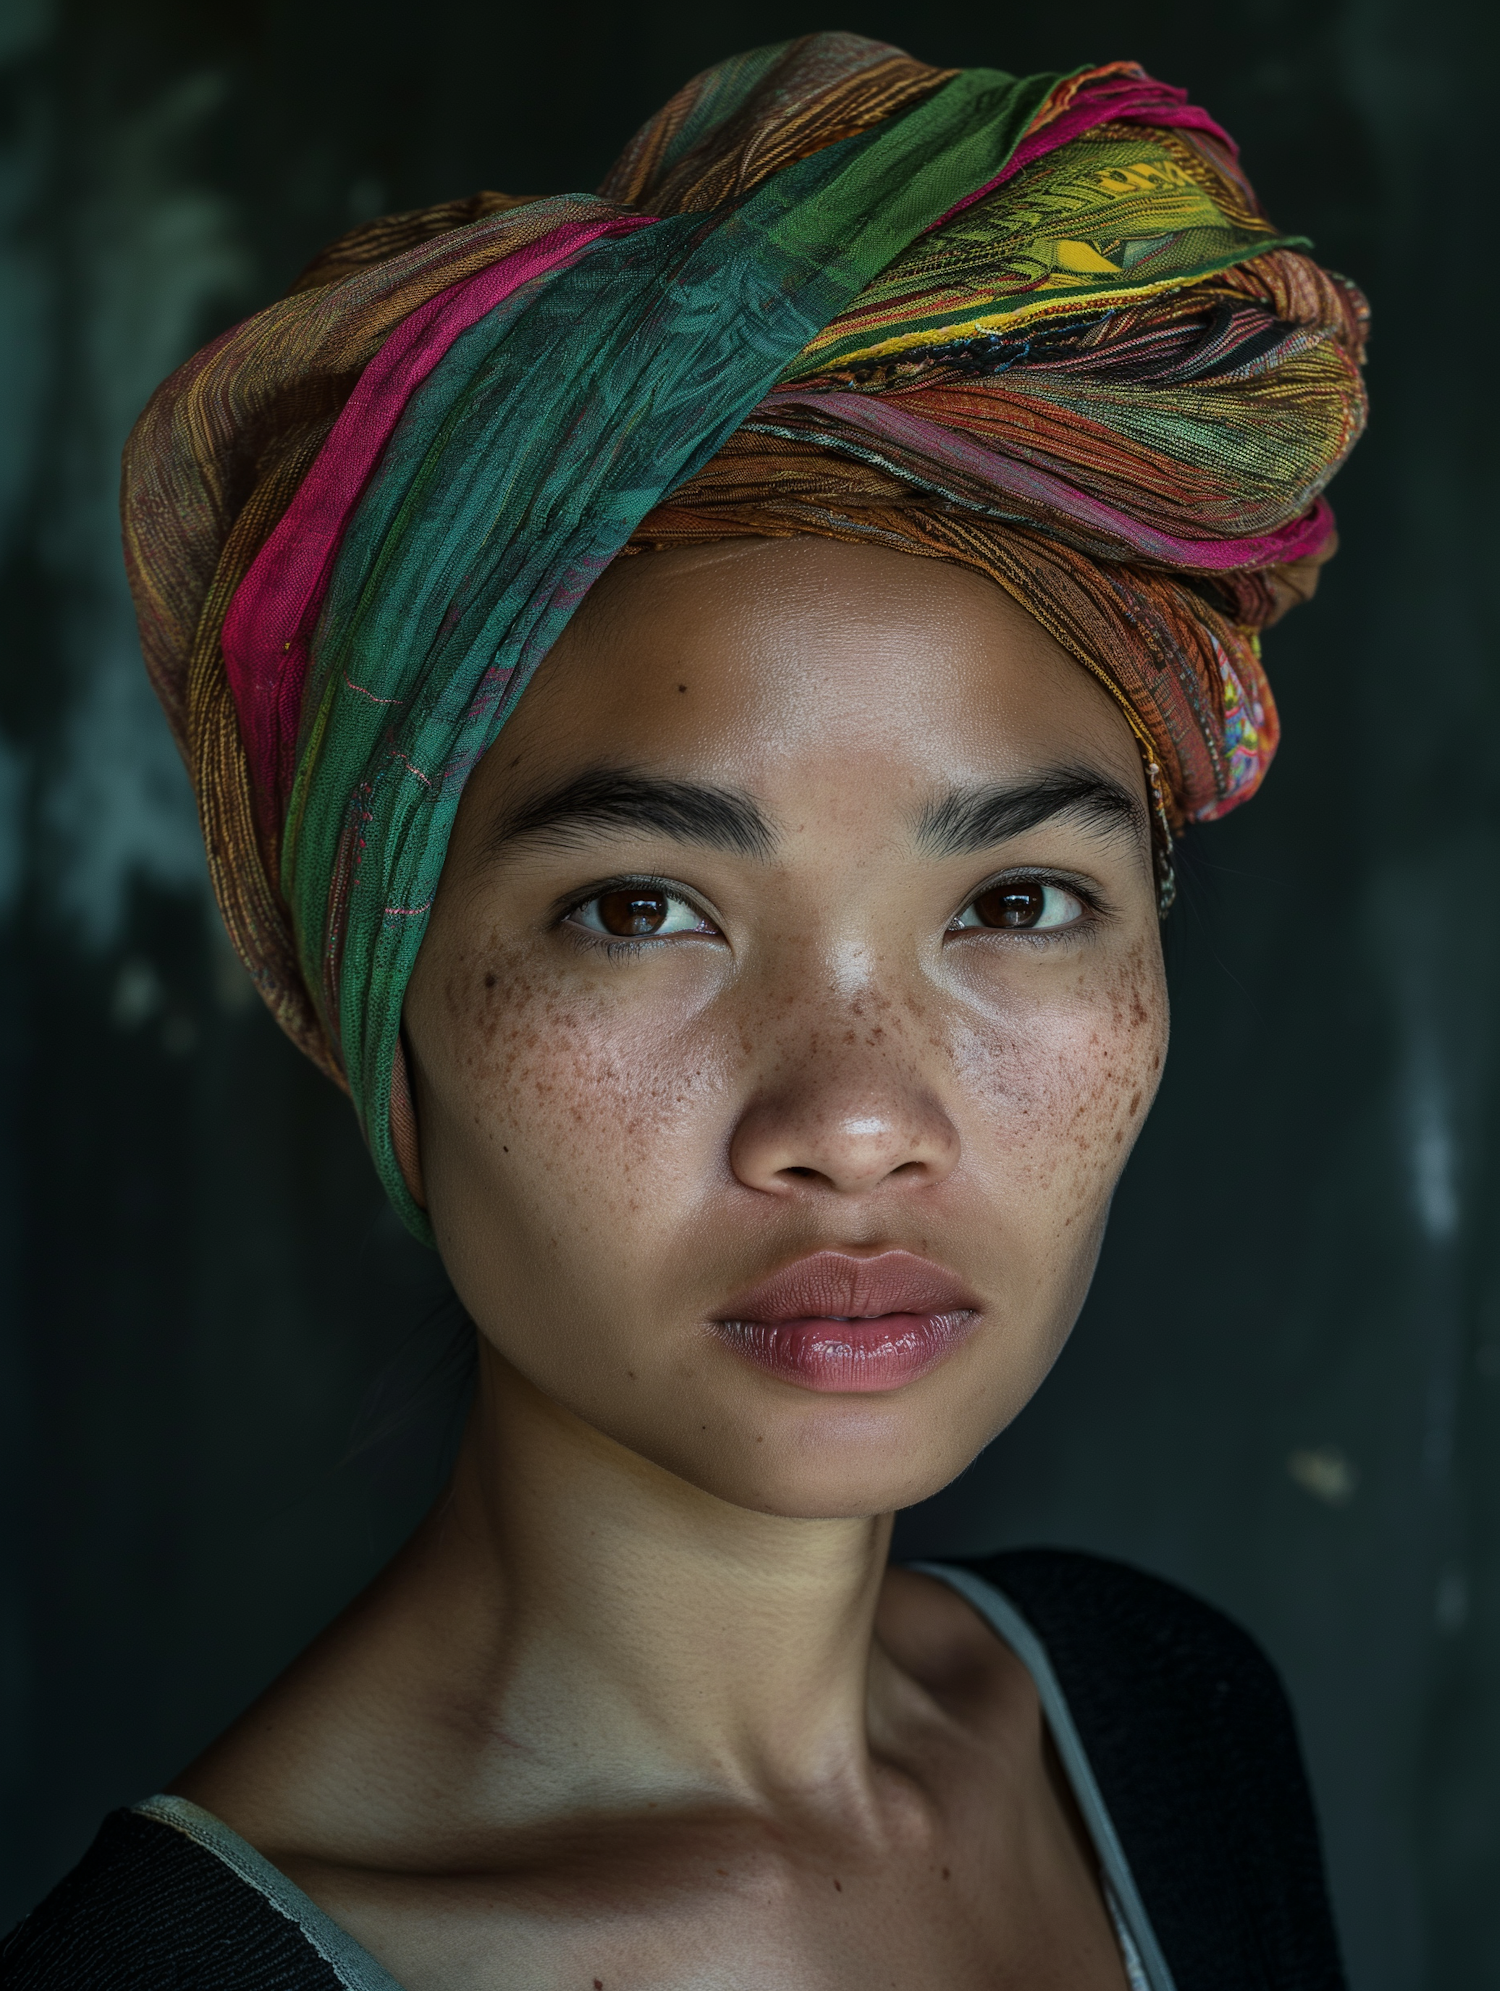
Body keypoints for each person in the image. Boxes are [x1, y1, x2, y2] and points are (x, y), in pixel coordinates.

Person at [1, 32, 1367, 1991]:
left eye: (1015, 898)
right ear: (376, 992)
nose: (857, 1114)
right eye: (644, 907)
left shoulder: (1166, 1721)